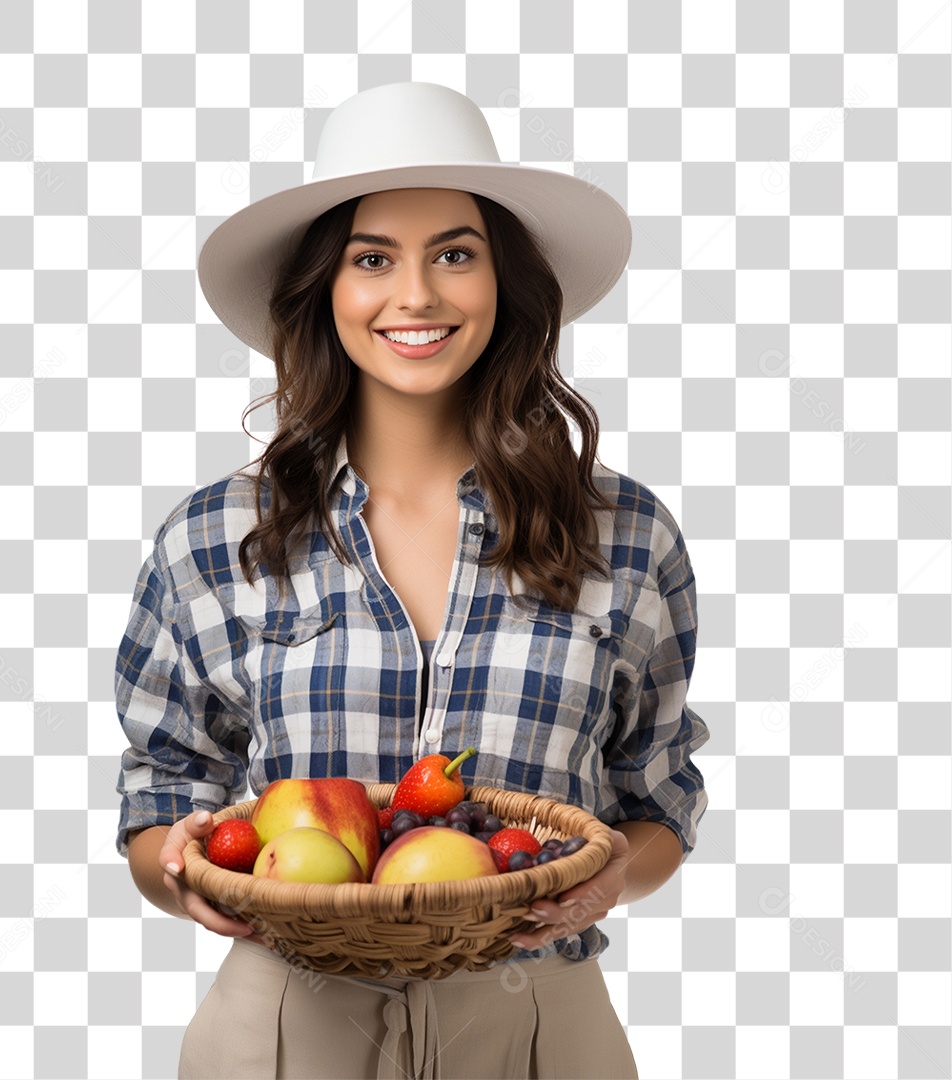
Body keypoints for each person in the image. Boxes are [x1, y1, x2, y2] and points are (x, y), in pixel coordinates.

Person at [115, 81, 709, 1079]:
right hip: (281, 1029)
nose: (418, 295)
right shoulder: (213, 537)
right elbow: (159, 792)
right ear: (327, 291)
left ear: (502, 284)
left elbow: (658, 794)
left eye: (455, 254)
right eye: (373, 258)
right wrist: (179, 873)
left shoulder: (627, 533)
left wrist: (610, 877)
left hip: (538, 1026)